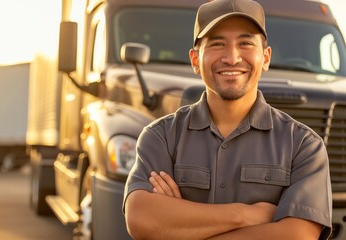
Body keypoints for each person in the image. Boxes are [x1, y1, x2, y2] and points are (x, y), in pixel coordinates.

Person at [123, 0, 332, 239]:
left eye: (245, 43)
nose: (232, 58)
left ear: (265, 57)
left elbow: (298, 235)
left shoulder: (303, 145)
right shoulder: (161, 136)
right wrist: (246, 215)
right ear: (194, 60)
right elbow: (141, 218)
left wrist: (179, 226)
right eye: (217, 44)